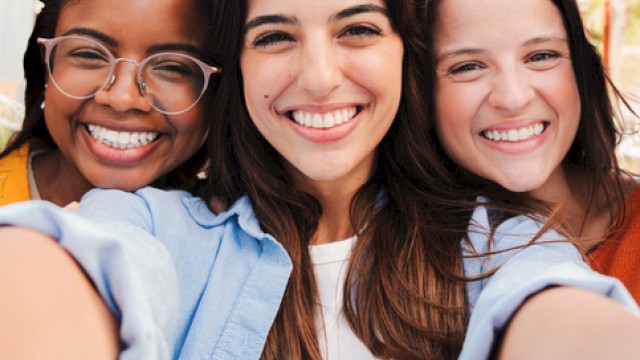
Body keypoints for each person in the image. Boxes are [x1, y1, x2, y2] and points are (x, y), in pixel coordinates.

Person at [0, 0, 639, 359]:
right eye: (274, 36)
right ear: (237, 73)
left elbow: (559, 313)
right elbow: (60, 263)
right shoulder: (157, 225)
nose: (319, 78)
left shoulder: (504, 241)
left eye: (357, 29)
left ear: (405, 55)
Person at [422, 0, 640, 306]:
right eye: (467, 66)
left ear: (580, 68)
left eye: (541, 56)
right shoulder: (399, 264)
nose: (513, 98)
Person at [0, 0, 220, 207]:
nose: (121, 99)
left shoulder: (233, 235)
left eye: (172, 67)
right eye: (90, 54)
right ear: (48, 65)